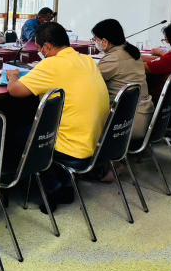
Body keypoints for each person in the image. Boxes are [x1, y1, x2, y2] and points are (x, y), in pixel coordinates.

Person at [6, 22, 109, 213]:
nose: (39, 52)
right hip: (95, 142)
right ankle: (67, 184)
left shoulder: (51, 63)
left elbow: (15, 90)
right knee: (41, 128)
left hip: (71, 144)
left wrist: (13, 75)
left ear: (47, 46)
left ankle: (53, 187)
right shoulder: (87, 60)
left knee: (13, 135)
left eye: (39, 48)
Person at [92, 19, 154, 141]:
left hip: (125, 122)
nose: (95, 42)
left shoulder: (114, 58)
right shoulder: (131, 51)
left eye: (95, 39)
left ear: (105, 41)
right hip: (141, 115)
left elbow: (91, 81)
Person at [144, 22, 171, 132]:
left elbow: (143, 68)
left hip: (165, 107)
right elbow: (163, 60)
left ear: (170, 40)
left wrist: (126, 61)